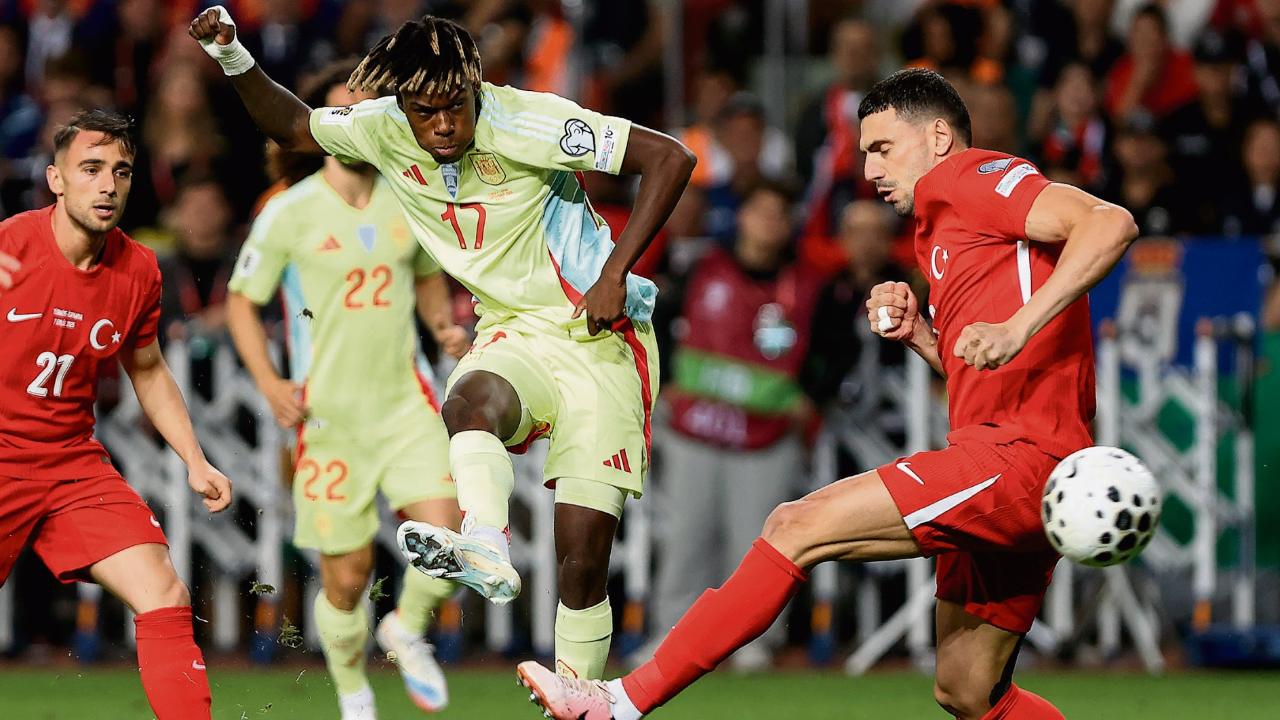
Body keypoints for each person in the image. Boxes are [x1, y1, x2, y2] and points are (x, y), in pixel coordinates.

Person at [515, 67, 1140, 720]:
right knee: (967, 690)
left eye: (883, 148)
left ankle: (619, 702)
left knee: (797, 526)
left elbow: (1110, 224)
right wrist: (924, 337)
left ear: (938, 137)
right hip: (1011, 459)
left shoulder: (974, 177)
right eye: (865, 152)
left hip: (1017, 460)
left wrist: (1017, 326)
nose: (869, 169)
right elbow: (987, 373)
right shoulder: (940, 229)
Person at [190, 7, 695, 681]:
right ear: (401, 104)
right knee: (467, 402)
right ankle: (484, 540)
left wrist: (614, 274)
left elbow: (670, 158)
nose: (444, 124)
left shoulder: (531, 121)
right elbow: (292, 126)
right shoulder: (381, 128)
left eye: (456, 105)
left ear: (475, 87)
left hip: (599, 336)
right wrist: (231, 53)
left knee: (581, 560)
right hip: (513, 329)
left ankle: (580, 699)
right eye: (425, 111)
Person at [225, 59, 469, 719]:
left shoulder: (410, 194)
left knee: (448, 538)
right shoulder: (289, 212)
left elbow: (426, 275)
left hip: (405, 405)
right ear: (315, 128)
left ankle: (407, 629)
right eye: (338, 114)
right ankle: (353, 689)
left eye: (363, 113)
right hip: (328, 418)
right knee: (348, 577)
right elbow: (241, 302)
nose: (351, 125)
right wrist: (269, 382)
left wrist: (442, 325)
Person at [0, 109, 232, 720]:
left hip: (70, 465)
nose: (107, 185)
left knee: (164, 590)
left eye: (121, 172)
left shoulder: (140, 270)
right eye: (91, 169)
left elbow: (148, 369)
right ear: (55, 179)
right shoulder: (9, 246)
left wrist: (195, 459)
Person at [644, 181, 820, 672]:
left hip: (767, 435)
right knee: (685, 537)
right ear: (741, 216)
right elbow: (655, 319)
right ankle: (669, 637)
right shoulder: (700, 268)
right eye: (760, 211)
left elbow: (828, 346)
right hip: (693, 426)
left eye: (778, 215)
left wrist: (812, 396)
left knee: (757, 545)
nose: (768, 223)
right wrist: (663, 378)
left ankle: (750, 643)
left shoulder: (807, 284)